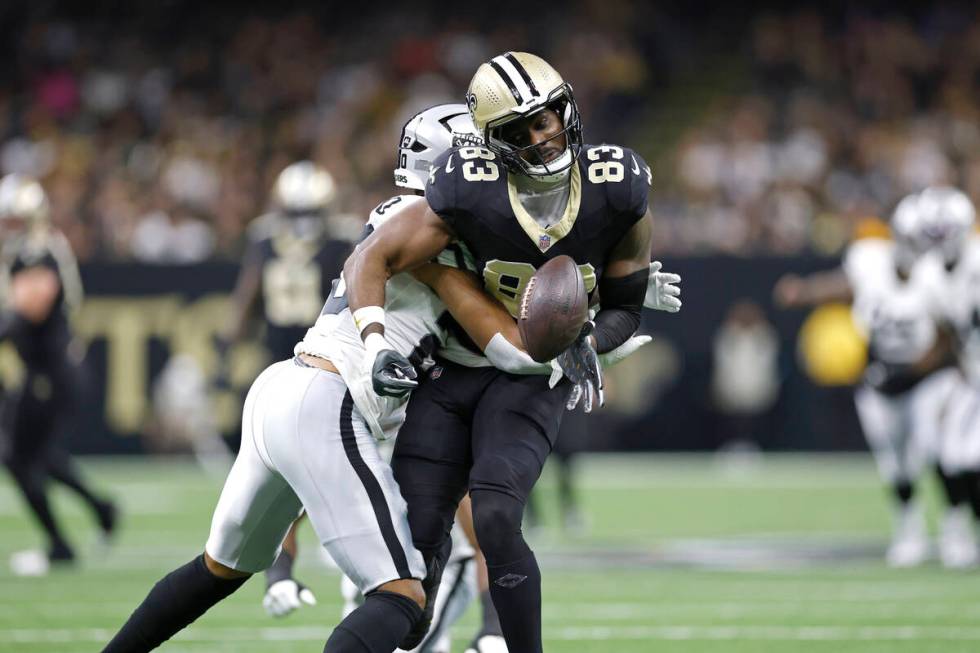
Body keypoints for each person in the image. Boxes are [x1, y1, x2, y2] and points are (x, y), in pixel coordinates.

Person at [102, 100, 649, 653]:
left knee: (215, 572)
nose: (499, 172)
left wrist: (604, 286)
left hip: (280, 390)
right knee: (403, 598)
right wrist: (595, 343)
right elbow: (511, 348)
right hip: (328, 405)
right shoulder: (441, 242)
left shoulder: (399, 220)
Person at [343, 52, 680, 653]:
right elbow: (371, 256)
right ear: (489, 143)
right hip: (450, 369)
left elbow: (626, 310)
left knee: (496, 517)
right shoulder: (465, 189)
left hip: (528, 376)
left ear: (567, 109)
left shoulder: (617, 185)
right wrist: (371, 341)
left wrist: (588, 342)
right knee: (412, 548)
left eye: (548, 118)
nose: (541, 137)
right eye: (519, 130)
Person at [774, 194, 966, 567]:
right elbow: (844, 284)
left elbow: (947, 336)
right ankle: (908, 529)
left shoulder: (937, 277)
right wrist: (805, 292)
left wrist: (912, 371)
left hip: (926, 375)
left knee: (936, 450)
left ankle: (954, 529)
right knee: (895, 462)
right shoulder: (871, 260)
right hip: (881, 373)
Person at [0, 173, 117, 574]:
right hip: (40, 369)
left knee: (19, 458)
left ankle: (60, 544)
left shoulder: (40, 251)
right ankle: (100, 511)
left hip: (49, 370)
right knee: (36, 458)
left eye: (13, 219)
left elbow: (29, 310)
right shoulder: (26, 251)